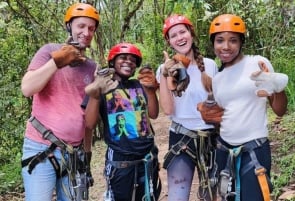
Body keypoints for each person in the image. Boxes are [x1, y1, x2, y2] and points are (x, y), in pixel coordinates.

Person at [198, 14, 288, 201]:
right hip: (224, 150)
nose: (226, 46)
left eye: (233, 40)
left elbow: (280, 110)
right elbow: (224, 117)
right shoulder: (219, 79)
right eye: (220, 40)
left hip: (254, 150)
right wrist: (208, 117)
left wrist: (275, 88)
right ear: (213, 44)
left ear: (241, 43)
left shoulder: (257, 63)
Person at [20, 3, 99, 201]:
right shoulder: (49, 52)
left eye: (91, 28)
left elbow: (87, 122)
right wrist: (57, 62)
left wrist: (87, 157)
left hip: (75, 153)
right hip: (41, 148)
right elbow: (27, 88)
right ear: (69, 26)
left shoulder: (92, 68)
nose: (86, 32)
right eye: (81, 26)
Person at [82, 42, 161, 201]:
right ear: (112, 61)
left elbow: (153, 114)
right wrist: (96, 94)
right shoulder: (103, 86)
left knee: (149, 197)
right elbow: (89, 123)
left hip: (147, 158)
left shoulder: (139, 85)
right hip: (120, 162)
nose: (128, 62)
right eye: (123, 58)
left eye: (133, 60)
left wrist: (151, 90)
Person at [158, 14, 219, 201]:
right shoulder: (164, 69)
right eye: (174, 35)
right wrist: (168, 75)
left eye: (182, 32)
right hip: (181, 139)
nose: (180, 37)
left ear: (191, 33)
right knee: (177, 197)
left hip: (210, 137)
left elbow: (218, 104)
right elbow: (168, 110)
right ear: (169, 42)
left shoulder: (210, 65)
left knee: (211, 195)